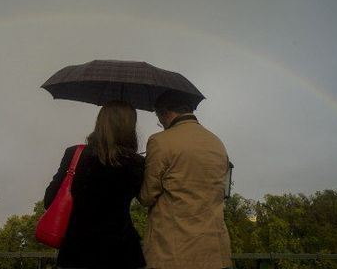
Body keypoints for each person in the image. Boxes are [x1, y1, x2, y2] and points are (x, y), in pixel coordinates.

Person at [44, 100, 146, 269]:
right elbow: (145, 198)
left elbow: (49, 200)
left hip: (76, 254)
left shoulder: (75, 154)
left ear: (100, 122)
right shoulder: (137, 163)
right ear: (130, 128)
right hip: (123, 254)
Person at [139, 91, 231, 269]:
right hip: (214, 252)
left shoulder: (160, 141)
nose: (162, 124)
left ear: (165, 113)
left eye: (159, 119)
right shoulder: (217, 143)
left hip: (172, 252)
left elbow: (147, 196)